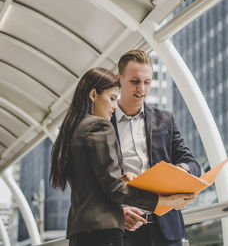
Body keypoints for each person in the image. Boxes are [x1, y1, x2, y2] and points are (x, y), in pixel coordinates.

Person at [49, 67, 196, 246]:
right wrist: (166, 201)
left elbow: (91, 180)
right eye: (111, 98)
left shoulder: (74, 129)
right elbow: (114, 188)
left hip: (81, 232)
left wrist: (125, 178)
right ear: (94, 95)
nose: (115, 105)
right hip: (103, 233)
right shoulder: (99, 126)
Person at [111, 50, 201, 246]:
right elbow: (93, 181)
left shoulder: (165, 120)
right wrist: (117, 211)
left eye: (147, 82)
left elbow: (192, 162)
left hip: (166, 231)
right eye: (135, 81)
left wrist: (182, 170)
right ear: (119, 79)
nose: (141, 88)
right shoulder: (103, 124)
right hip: (124, 230)